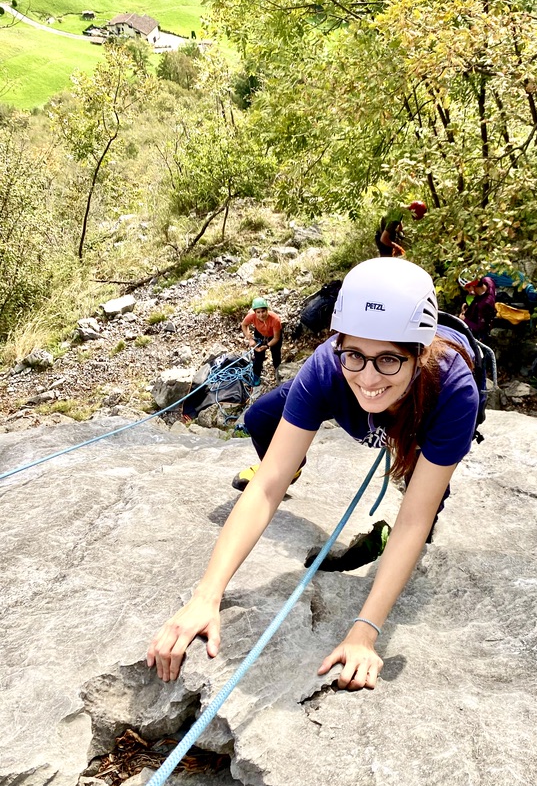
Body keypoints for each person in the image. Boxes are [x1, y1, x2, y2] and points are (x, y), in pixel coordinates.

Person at [147, 258, 479, 691]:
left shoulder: (454, 390)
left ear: (419, 353)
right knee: (263, 415)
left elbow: (414, 517)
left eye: (389, 360)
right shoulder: (327, 367)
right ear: (339, 343)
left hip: (426, 411)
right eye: (354, 354)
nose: (368, 376)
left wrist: (365, 630)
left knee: (424, 507)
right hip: (363, 394)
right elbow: (268, 484)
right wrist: (206, 595)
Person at [240, 297, 282, 384]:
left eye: (263, 311)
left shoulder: (275, 319)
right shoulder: (251, 316)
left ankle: (278, 374)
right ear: (255, 312)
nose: (261, 315)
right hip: (259, 334)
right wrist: (250, 339)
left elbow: (276, 338)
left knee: (276, 355)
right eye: (258, 312)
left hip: (273, 335)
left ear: (267, 310)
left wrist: (267, 346)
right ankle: (256, 376)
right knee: (258, 357)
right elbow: (244, 325)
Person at [458, 273, 497, 340]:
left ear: (472, 286)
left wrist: (464, 319)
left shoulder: (484, 304)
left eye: (467, 288)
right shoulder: (488, 281)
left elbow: (480, 328)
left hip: (480, 330)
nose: (468, 291)